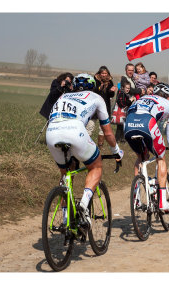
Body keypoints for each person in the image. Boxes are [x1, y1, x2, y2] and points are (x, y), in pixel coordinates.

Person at [45, 73, 124, 228]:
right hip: (75, 131)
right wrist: (116, 151)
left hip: (52, 132)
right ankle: (83, 205)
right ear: (93, 86)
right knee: (95, 166)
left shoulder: (64, 97)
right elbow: (107, 132)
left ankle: (67, 219)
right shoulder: (97, 97)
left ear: (73, 86)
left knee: (65, 174)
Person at [124, 83, 169, 212]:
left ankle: (136, 199)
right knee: (161, 158)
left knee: (141, 156)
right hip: (147, 124)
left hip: (128, 125)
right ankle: (162, 202)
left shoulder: (142, 98)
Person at [85, 66, 117, 149]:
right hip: (93, 107)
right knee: (90, 126)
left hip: (104, 107)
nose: (104, 75)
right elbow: (92, 91)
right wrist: (100, 88)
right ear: (99, 73)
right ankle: (85, 144)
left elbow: (111, 95)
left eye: (105, 73)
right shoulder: (94, 81)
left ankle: (100, 146)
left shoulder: (110, 82)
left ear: (108, 74)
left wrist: (111, 91)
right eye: (102, 73)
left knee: (103, 128)